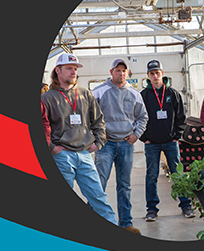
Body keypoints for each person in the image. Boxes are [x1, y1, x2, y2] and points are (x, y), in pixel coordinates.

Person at [41, 53, 117, 228]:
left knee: (98, 197)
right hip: (62, 156)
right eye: (69, 68)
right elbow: (42, 126)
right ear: (57, 71)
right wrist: (52, 147)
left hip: (84, 155)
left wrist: (98, 143)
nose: (73, 72)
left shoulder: (84, 94)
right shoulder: (47, 98)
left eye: (75, 69)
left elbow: (98, 120)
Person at [91, 58, 147, 229]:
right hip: (106, 145)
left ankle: (126, 224)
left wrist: (136, 135)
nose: (121, 73)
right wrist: (99, 135)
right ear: (111, 72)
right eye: (117, 70)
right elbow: (88, 116)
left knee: (125, 185)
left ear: (127, 73)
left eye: (124, 71)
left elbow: (143, 117)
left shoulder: (134, 94)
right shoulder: (99, 92)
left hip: (125, 145)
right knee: (98, 183)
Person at [138, 60, 195, 222]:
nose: (155, 76)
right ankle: (151, 209)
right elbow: (138, 117)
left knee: (178, 174)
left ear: (162, 74)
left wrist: (177, 136)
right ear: (148, 76)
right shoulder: (144, 96)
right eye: (152, 74)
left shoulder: (173, 93)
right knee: (151, 176)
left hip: (171, 142)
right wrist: (144, 138)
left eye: (157, 73)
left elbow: (181, 117)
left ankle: (186, 206)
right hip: (152, 144)